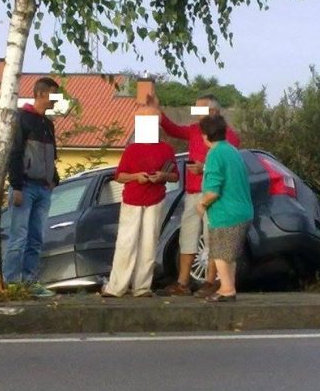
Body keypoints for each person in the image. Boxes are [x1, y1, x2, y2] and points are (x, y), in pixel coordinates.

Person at [150, 93, 242, 298]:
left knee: (213, 238)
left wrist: (204, 168)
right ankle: (182, 282)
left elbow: (227, 163)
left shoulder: (229, 136)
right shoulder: (194, 130)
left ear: (214, 112)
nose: (196, 114)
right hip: (192, 192)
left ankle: (210, 282)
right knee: (187, 236)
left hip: (213, 193)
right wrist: (158, 110)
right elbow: (172, 129)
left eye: (201, 110)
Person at [102, 106, 179, 298]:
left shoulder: (166, 149)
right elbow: (119, 176)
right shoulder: (132, 149)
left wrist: (162, 175)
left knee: (149, 244)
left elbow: (175, 176)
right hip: (133, 200)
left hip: (155, 200)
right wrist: (137, 176)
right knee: (126, 243)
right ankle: (117, 286)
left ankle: (142, 287)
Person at [3, 77, 61, 298]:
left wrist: (53, 178)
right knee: (18, 237)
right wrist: (16, 185)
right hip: (25, 186)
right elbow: (15, 153)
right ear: (41, 94)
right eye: (53, 95)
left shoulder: (48, 124)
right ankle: (12, 283)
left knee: (36, 238)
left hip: (44, 189)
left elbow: (51, 156)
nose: (56, 100)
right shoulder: (22, 119)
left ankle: (29, 281)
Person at [195, 115, 253, 302]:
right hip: (243, 210)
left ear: (205, 135)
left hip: (225, 212)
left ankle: (227, 290)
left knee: (219, 252)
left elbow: (213, 190)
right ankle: (229, 287)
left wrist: (202, 203)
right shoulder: (232, 151)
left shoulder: (215, 154)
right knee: (230, 255)